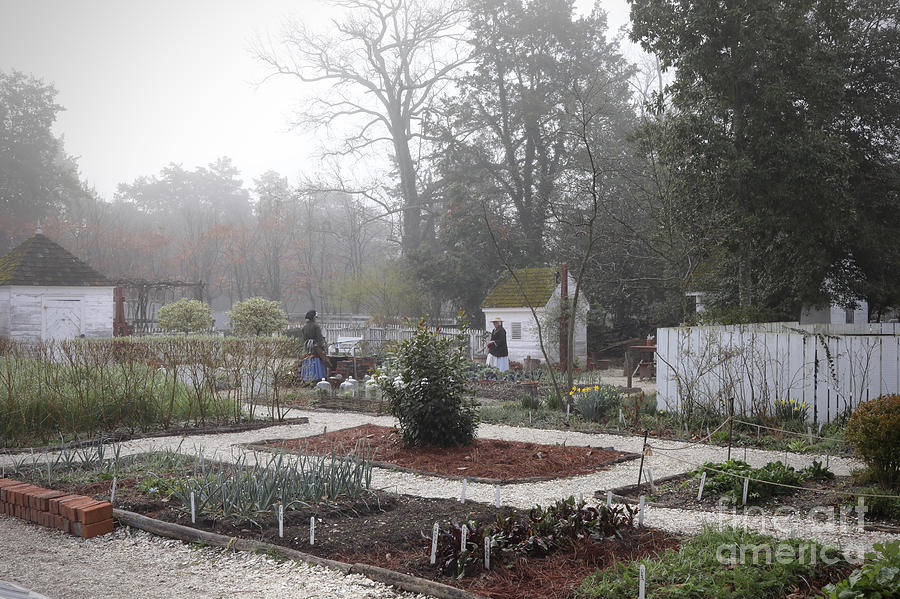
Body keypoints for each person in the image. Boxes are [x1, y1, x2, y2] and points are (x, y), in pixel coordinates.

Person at [300, 310, 329, 382]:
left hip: (307, 347)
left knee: (308, 359)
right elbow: (319, 339)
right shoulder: (316, 326)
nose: (317, 318)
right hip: (316, 348)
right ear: (313, 318)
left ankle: (307, 378)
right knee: (317, 360)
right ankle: (317, 378)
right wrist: (322, 348)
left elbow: (304, 339)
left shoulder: (304, 327)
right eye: (316, 317)